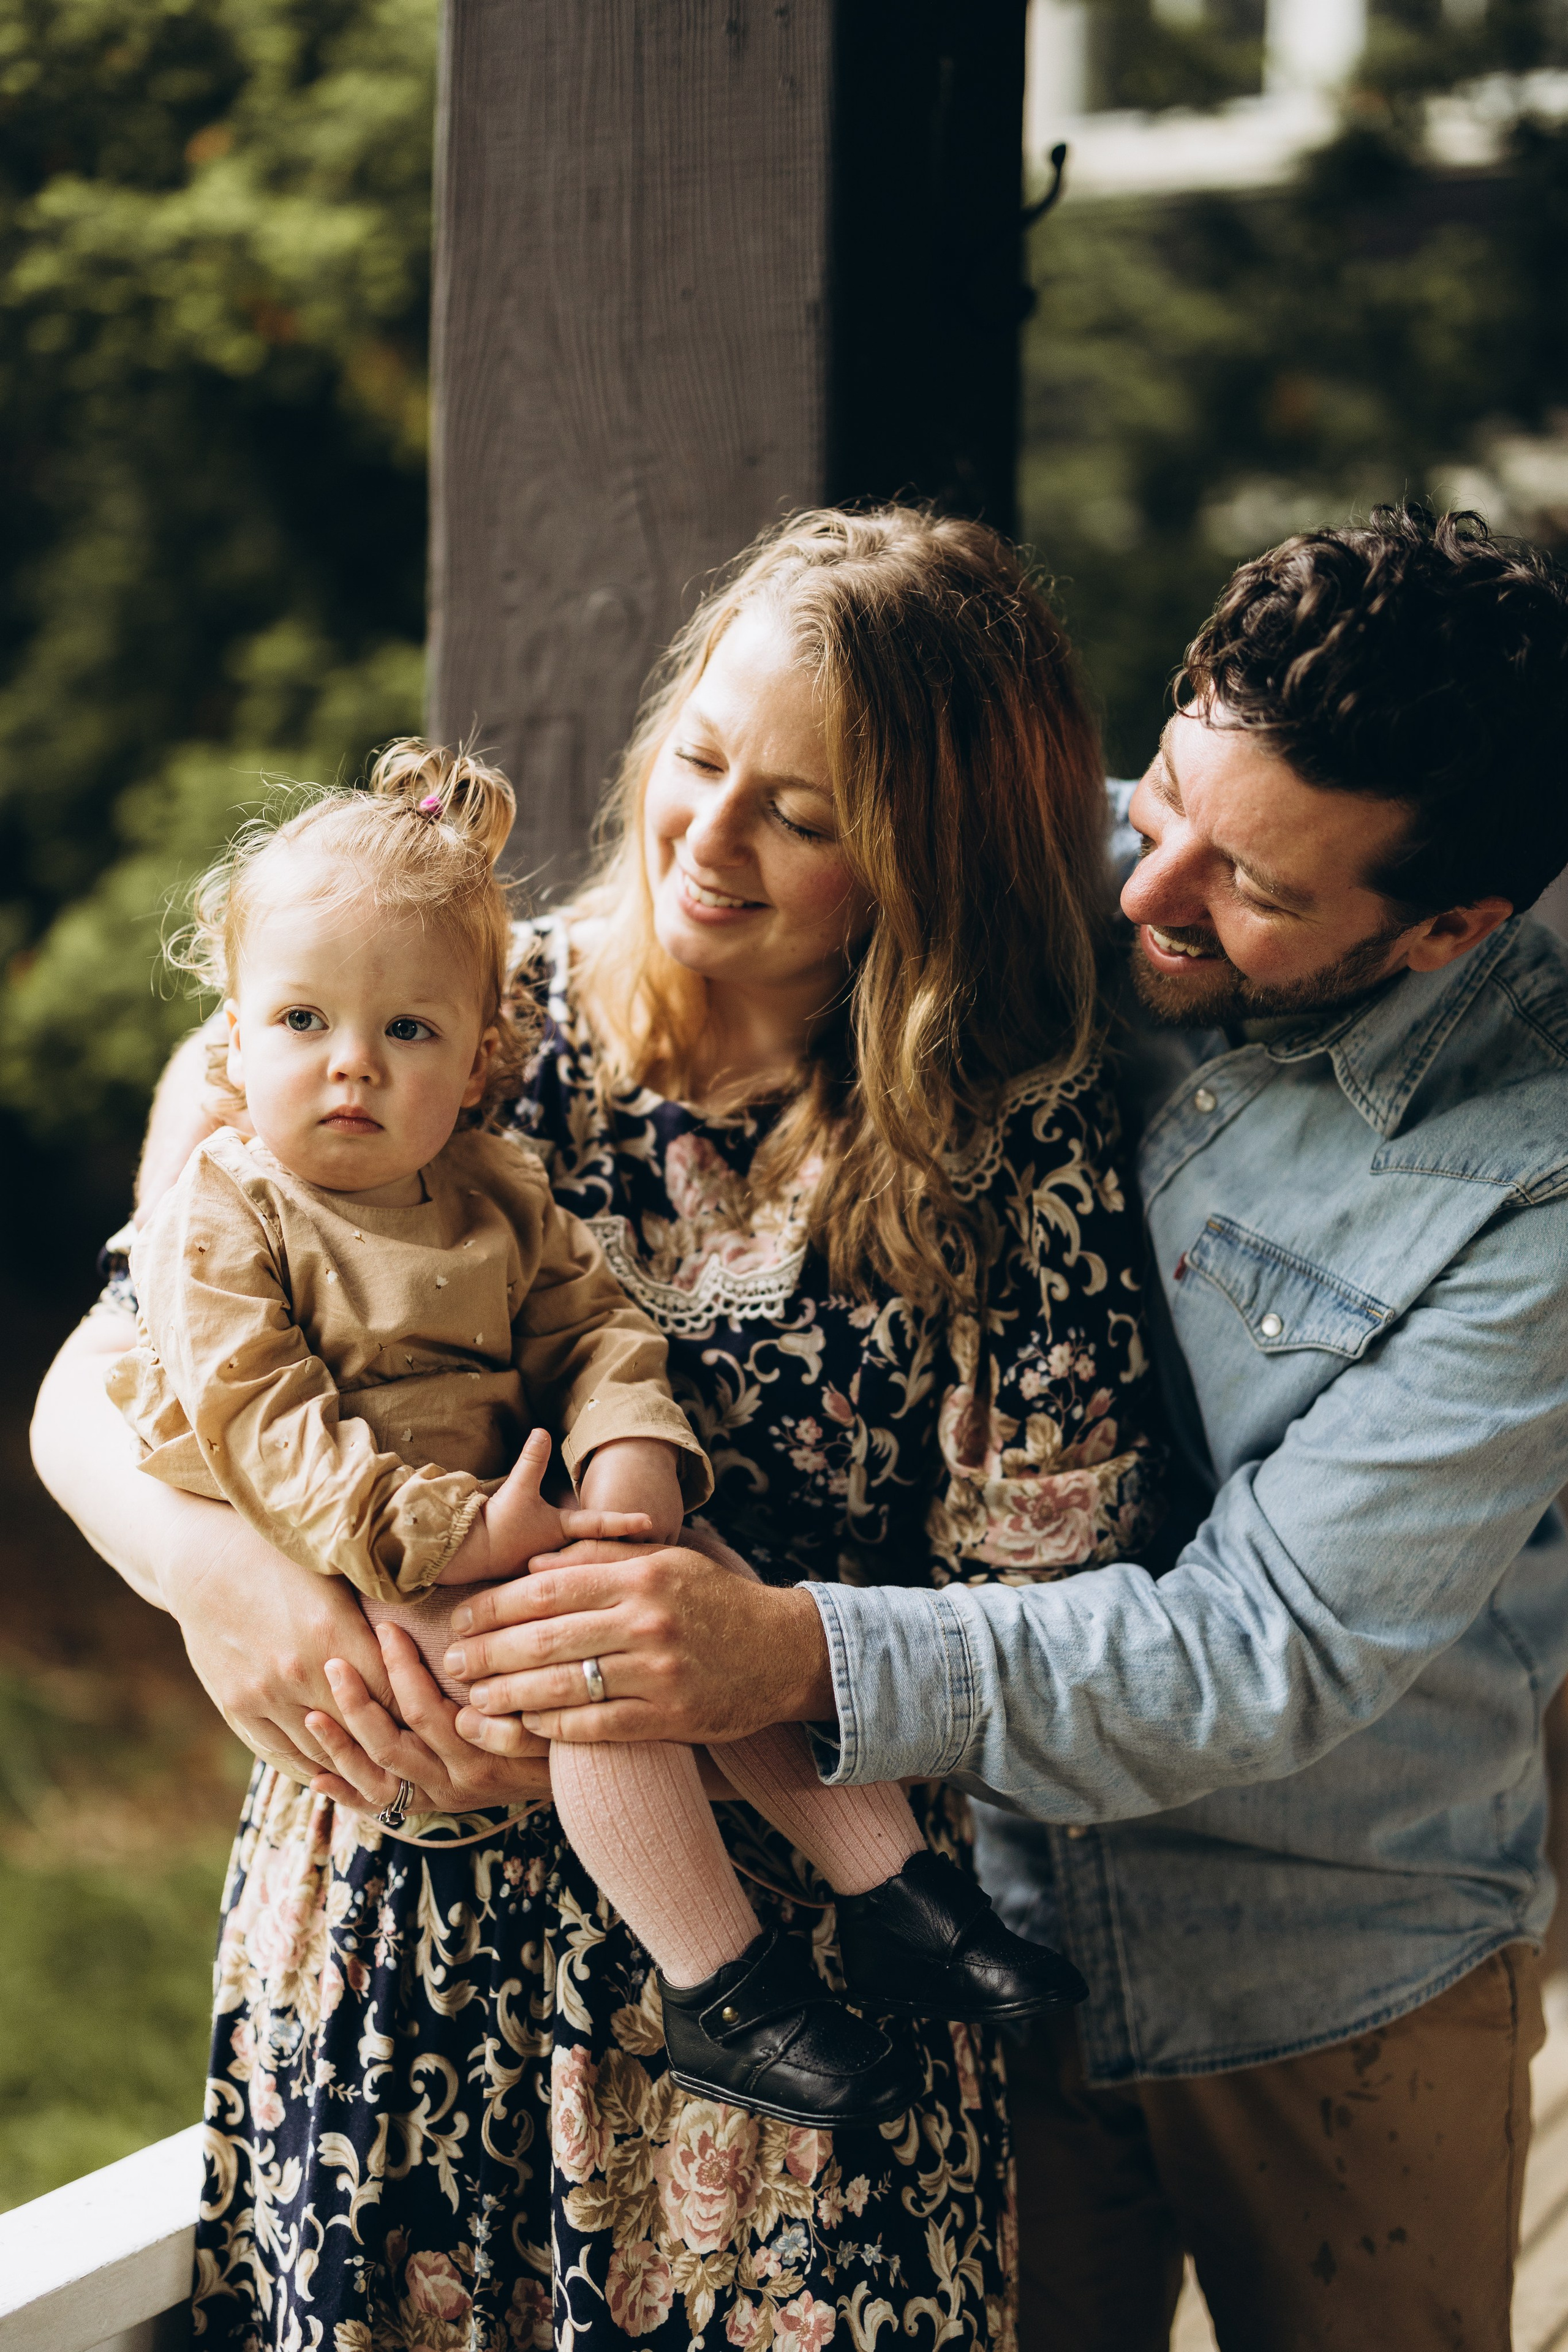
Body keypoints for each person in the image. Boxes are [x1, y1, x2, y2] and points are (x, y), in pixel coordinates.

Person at [430, 507, 1568, 2351]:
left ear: (1449, 928)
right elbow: (561, 960)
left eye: (1255, 891)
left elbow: (1268, 1650)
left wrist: (776, 1649)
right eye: (1171, 792)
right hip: (965, 1934)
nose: (1144, 890)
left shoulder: (1537, 1171)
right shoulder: (1050, 844)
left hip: (1325, 1954)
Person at [34, 507, 1165, 2348]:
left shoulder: (1000, 1149)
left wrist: (769, 1643)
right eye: (701, 760)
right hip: (406, 1970)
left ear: (926, 858)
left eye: (803, 816)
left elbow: (1074, 1625)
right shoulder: (439, 1012)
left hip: (798, 2037)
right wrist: (229, 1589)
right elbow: (104, 1382)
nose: (710, 840)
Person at [113, 734, 1081, 2130]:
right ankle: (720, 1989)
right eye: (301, 1023)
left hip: (510, 1522)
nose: (352, 1070)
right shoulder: (224, 1208)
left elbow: (598, 1326)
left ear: (476, 1057)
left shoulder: (490, 1184)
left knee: (701, 1593)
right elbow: (261, 1418)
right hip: (358, 1556)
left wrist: (630, 1450)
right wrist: (449, 1533)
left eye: (408, 1033)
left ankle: (899, 1895)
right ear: (235, 1029)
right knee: (600, 1665)